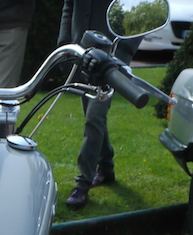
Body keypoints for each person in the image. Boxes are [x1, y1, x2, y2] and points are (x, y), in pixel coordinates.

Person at [58, 0, 140, 208]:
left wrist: (124, 51)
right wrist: (64, 43)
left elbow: (139, 8)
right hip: (82, 51)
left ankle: (82, 184)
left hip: (111, 56)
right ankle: (106, 168)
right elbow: (69, 5)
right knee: (91, 114)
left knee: (95, 115)